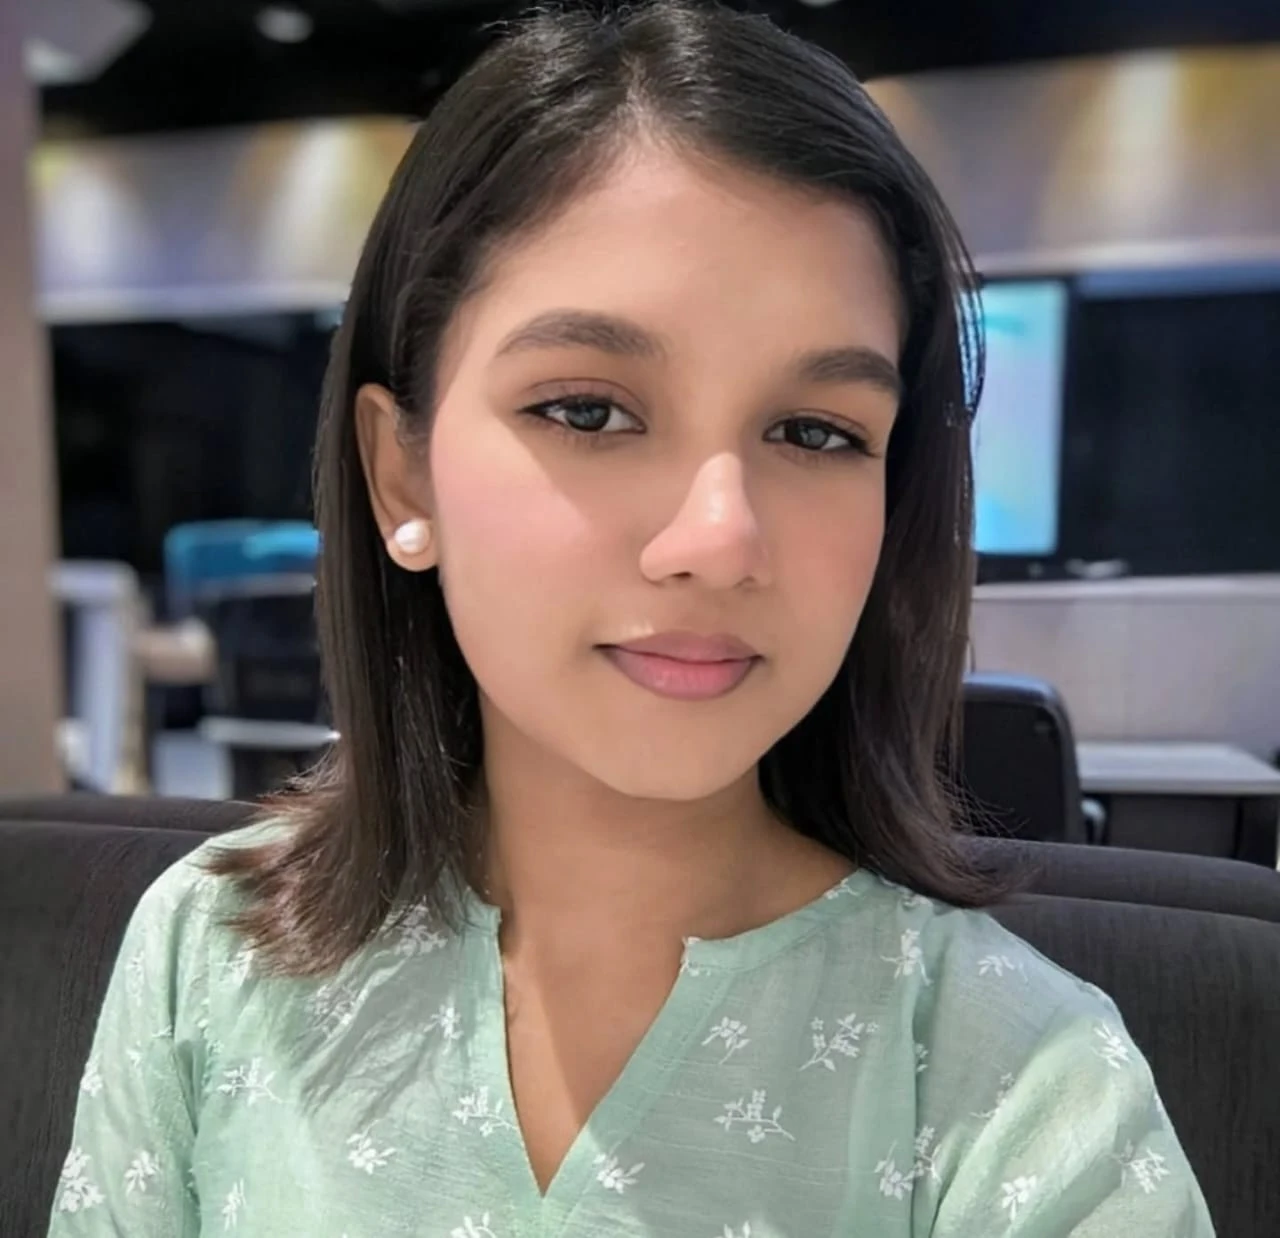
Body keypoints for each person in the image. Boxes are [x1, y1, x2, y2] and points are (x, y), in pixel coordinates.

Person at [48, 3, 1215, 1234]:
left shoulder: (1023, 1085)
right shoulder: (212, 950)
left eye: (814, 432)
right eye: (588, 411)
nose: (719, 536)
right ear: (403, 474)